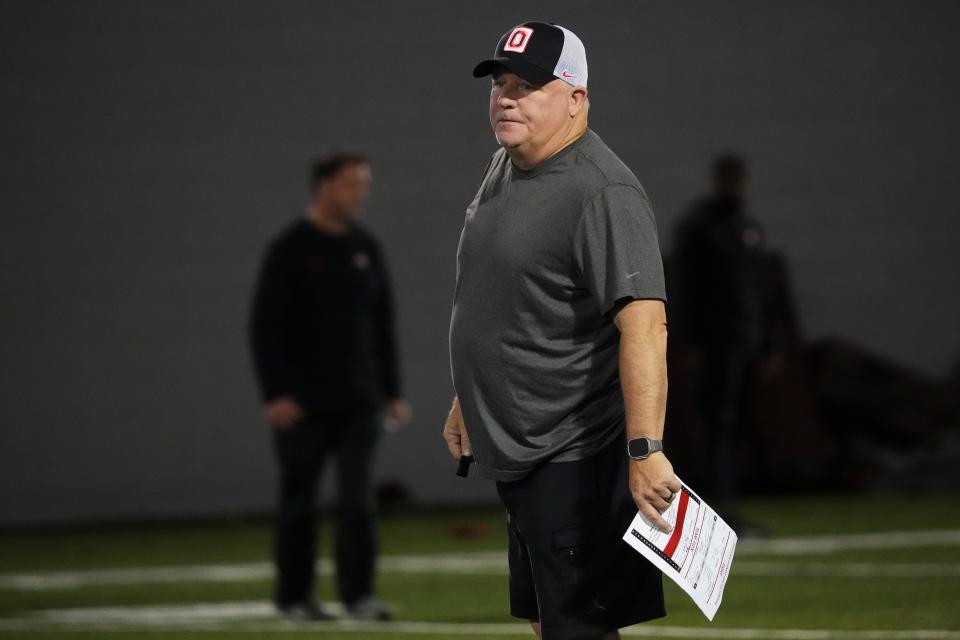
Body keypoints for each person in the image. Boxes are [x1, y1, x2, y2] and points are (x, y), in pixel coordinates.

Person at [445, 22, 680, 640]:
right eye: (500, 84)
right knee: (545, 617)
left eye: (527, 86)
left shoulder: (602, 192)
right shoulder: (508, 164)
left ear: (576, 98)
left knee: (578, 626)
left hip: (574, 453)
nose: (505, 98)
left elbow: (646, 326)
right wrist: (467, 397)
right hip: (525, 449)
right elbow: (504, 294)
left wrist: (645, 450)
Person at [249, 152, 410, 621]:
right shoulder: (290, 249)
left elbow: (382, 325)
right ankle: (294, 598)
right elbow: (265, 326)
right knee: (299, 502)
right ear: (322, 187)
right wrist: (274, 393)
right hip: (301, 406)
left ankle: (359, 597)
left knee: (358, 502)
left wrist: (392, 390)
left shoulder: (366, 248)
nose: (359, 194)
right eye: (349, 184)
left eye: (363, 185)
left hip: (359, 402)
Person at [673, 154, 774, 526]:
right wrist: (692, 344)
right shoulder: (700, 227)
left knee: (739, 425)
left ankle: (729, 504)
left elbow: (763, 289)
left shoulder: (748, 226)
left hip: (745, 345)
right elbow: (687, 289)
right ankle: (712, 505)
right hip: (715, 345)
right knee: (715, 424)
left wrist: (767, 343)